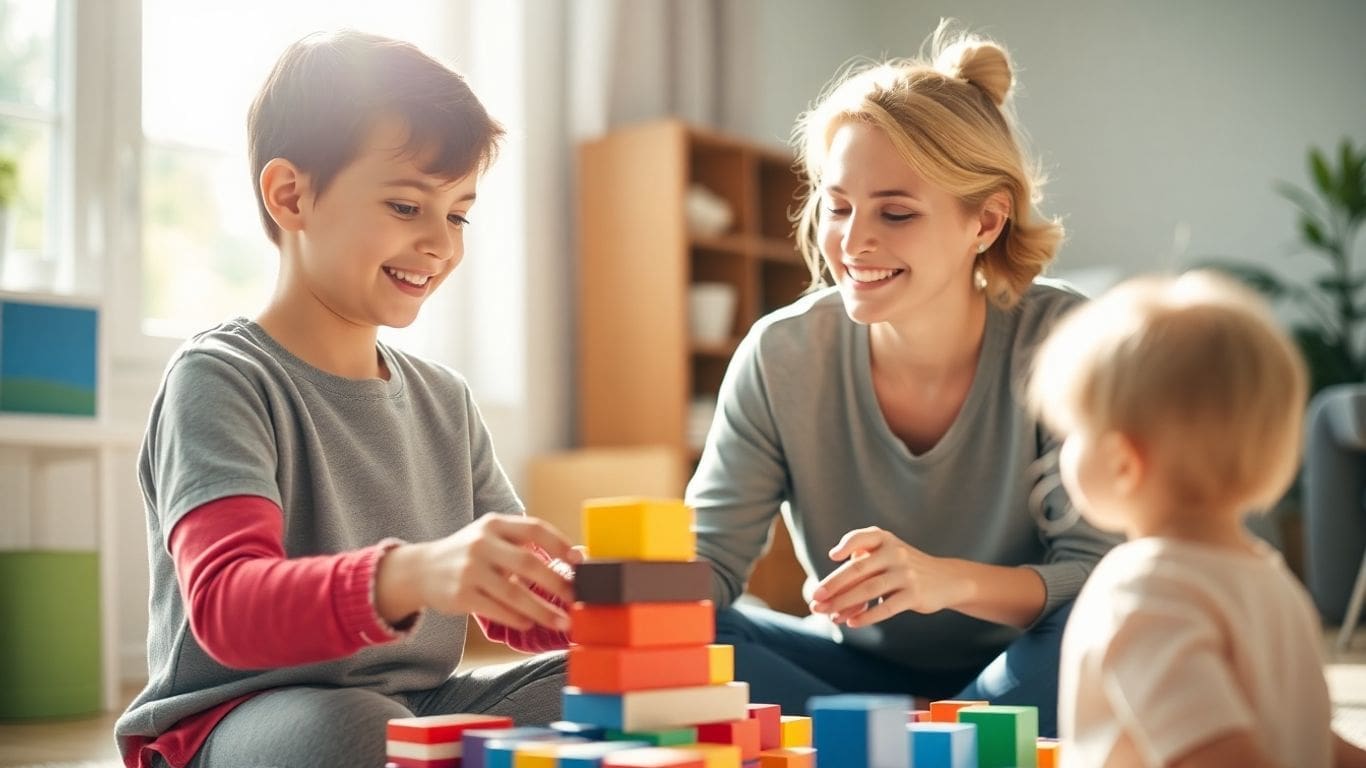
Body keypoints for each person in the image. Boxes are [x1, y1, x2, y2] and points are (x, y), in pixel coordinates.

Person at [114, 31, 577, 768]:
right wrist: (417, 573)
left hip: (411, 707)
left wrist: (600, 606)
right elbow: (226, 607)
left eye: (457, 214)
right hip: (239, 718)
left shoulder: (445, 402)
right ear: (291, 196)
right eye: (406, 206)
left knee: (594, 691)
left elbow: (512, 599)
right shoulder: (221, 378)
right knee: (354, 731)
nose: (442, 245)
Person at [686, 23, 1115, 737]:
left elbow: (1096, 573)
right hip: (852, 672)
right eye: (838, 205)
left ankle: (911, 739)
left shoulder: (1065, 341)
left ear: (985, 221)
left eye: (896, 212)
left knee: (1105, 621)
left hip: (1026, 659)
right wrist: (616, 595)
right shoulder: (781, 356)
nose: (853, 242)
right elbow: (709, 564)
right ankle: (943, 736)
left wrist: (945, 580)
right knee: (688, 639)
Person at [1030, 271, 1366, 767]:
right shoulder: (1272, 580)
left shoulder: (1141, 591)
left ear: (1124, 462)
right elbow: (1317, 744)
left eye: (1073, 431)